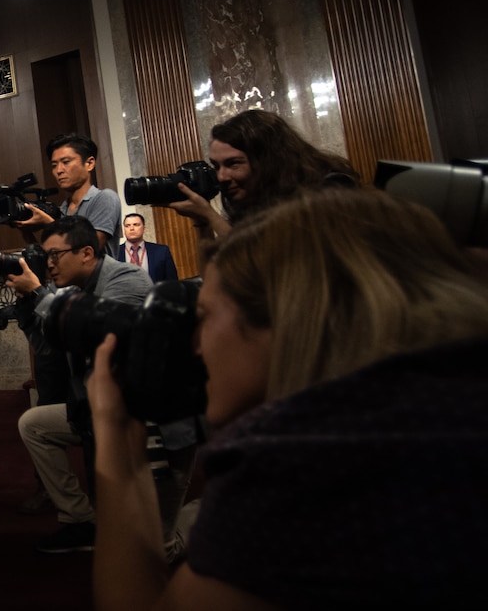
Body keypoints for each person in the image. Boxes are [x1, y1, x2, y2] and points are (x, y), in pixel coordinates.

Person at [90, 188, 488, 609]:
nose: (196, 348)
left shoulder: (299, 463)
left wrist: (117, 441)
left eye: (205, 317)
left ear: (287, 318)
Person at [5, 216, 168, 551]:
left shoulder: (126, 278)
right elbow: (48, 346)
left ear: (86, 253)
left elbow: (98, 334)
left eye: (54, 255)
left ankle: (192, 520)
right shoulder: (72, 290)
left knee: (151, 548)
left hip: (146, 416)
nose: (49, 265)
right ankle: (80, 519)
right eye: (45, 257)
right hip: (98, 409)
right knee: (34, 424)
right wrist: (25, 303)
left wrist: (37, 292)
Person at [169, 108, 357, 239]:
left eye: (233, 164)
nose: (221, 177)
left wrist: (210, 216)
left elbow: (270, 265)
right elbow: (218, 277)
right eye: (216, 166)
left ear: (269, 159)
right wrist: (202, 222)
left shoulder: (332, 189)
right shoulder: (246, 203)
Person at [17, 133, 121, 258]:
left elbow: (89, 249)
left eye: (66, 162)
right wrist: (26, 232)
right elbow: (55, 261)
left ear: (89, 163)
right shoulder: (62, 210)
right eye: (54, 165)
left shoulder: (105, 198)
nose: (59, 170)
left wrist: (50, 224)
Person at [115, 212, 178, 282]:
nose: (131, 228)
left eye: (136, 225)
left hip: (154, 292)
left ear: (144, 229)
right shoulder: (115, 252)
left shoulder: (161, 251)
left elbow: (172, 281)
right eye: (127, 226)